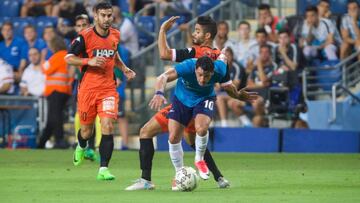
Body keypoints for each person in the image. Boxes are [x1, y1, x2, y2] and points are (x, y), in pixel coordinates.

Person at [125, 16, 230, 191]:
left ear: (207, 36)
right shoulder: (215, 56)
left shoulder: (194, 54)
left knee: (159, 134)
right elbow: (226, 80)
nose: (194, 34)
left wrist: (162, 31)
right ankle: (218, 176)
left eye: (197, 31)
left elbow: (164, 54)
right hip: (184, 101)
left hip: (190, 102)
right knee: (190, 139)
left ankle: (151, 179)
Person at [149, 56, 257, 190]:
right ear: (195, 70)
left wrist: (238, 96)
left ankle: (199, 159)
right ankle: (179, 174)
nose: (202, 79)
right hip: (182, 99)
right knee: (173, 137)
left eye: (206, 76)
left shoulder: (220, 70)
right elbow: (162, 77)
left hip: (204, 98)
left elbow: (229, 88)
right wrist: (159, 93)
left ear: (212, 73)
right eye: (199, 75)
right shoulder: (187, 66)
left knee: (201, 128)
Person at [65, 2, 136, 180]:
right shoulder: (85, 36)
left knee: (107, 126)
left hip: (108, 89)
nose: (106, 19)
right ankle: (81, 146)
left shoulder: (115, 34)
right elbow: (69, 57)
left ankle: (103, 169)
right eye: (103, 15)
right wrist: (88, 61)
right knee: (86, 131)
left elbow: (114, 54)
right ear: (95, 16)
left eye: (109, 15)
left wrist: (124, 68)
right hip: (88, 90)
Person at [71, 14, 99, 161]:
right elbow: (71, 61)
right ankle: (83, 145)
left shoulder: (98, 39)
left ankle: (91, 147)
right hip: (84, 84)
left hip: (100, 83)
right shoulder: (77, 42)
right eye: (79, 26)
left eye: (84, 25)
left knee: (98, 118)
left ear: (90, 25)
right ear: (76, 28)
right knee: (84, 117)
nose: (81, 28)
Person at [38, 37, 72, 149]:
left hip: (55, 91)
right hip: (64, 90)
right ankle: (42, 142)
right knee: (52, 117)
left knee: (55, 117)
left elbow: (45, 69)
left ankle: (59, 140)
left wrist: (42, 57)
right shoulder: (67, 56)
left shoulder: (58, 56)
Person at [215, 47, 250, 127]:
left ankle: (224, 124)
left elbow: (235, 86)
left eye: (228, 55)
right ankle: (222, 124)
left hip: (239, 94)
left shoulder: (237, 67)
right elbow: (217, 86)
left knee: (220, 98)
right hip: (226, 94)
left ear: (232, 56)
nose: (226, 58)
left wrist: (222, 85)